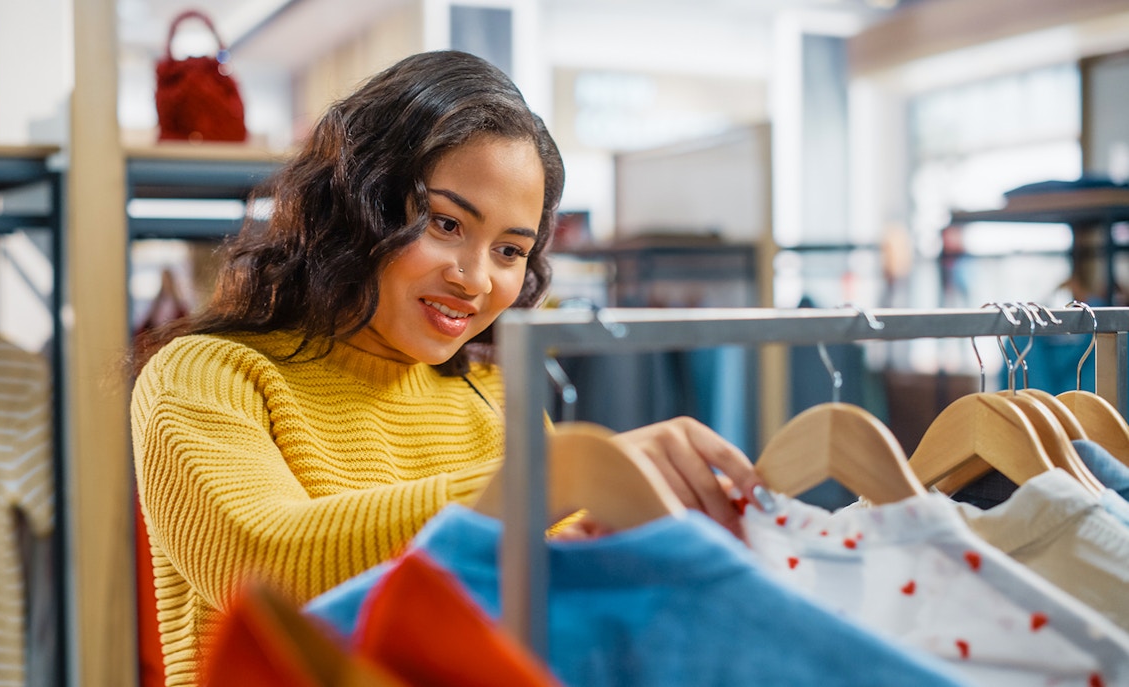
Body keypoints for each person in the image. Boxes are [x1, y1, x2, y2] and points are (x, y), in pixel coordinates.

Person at [130, 49, 767, 687]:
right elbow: (265, 563)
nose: (475, 278)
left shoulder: (494, 397)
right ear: (358, 203)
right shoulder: (204, 375)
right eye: (445, 223)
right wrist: (553, 477)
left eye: (510, 250)